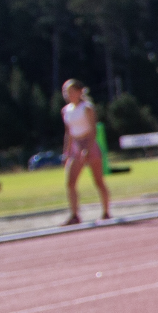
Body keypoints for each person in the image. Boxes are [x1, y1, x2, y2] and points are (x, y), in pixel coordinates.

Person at [59, 80, 112, 225]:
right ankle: (74, 214)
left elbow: (93, 130)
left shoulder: (87, 108)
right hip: (76, 146)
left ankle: (106, 211)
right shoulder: (66, 110)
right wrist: (67, 151)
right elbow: (68, 133)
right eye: (65, 92)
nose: (67, 95)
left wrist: (87, 148)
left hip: (89, 144)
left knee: (98, 181)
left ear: (79, 92)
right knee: (70, 182)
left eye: (70, 91)